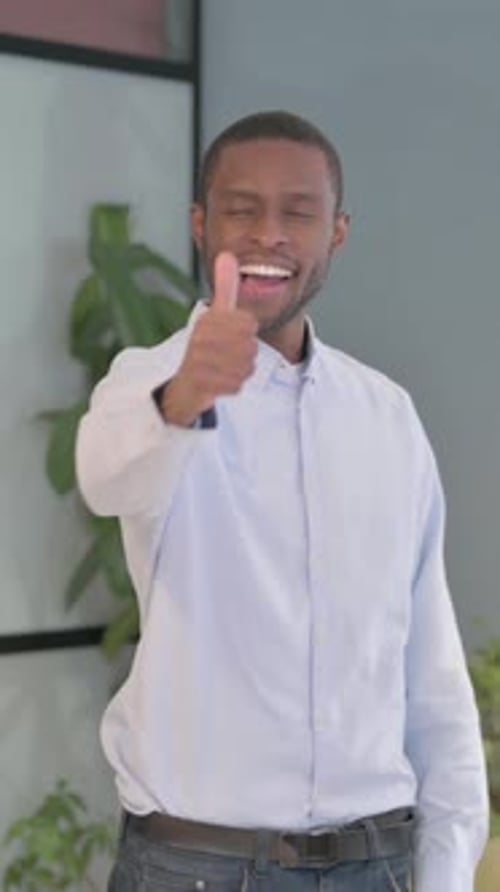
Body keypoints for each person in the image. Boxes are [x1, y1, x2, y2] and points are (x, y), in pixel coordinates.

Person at [76, 111, 488, 892]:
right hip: (198, 867)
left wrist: (445, 869)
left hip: (381, 865)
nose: (269, 234)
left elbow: (428, 670)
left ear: (337, 232)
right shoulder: (147, 382)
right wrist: (184, 396)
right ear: (201, 225)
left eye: (298, 212)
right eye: (242, 208)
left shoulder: (387, 415)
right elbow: (104, 475)